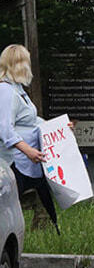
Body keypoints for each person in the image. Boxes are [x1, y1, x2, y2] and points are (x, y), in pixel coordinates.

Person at [0, 44, 58, 230]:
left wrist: (59, 128)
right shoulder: (6, 91)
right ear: (19, 64)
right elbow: (5, 129)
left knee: (39, 195)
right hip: (14, 161)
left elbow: (31, 121)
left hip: (25, 161)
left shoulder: (17, 89)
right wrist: (29, 151)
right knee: (9, 206)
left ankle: (43, 227)